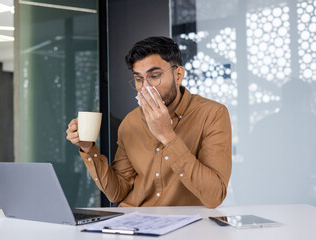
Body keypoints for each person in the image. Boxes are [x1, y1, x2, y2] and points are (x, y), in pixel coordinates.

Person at [66, 36, 232, 208]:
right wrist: (88, 148)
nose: (145, 87)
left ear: (178, 75)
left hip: (186, 225)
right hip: (136, 222)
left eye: (154, 76)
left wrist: (167, 136)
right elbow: (117, 193)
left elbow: (214, 196)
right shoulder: (131, 121)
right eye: (139, 79)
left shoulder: (213, 114)